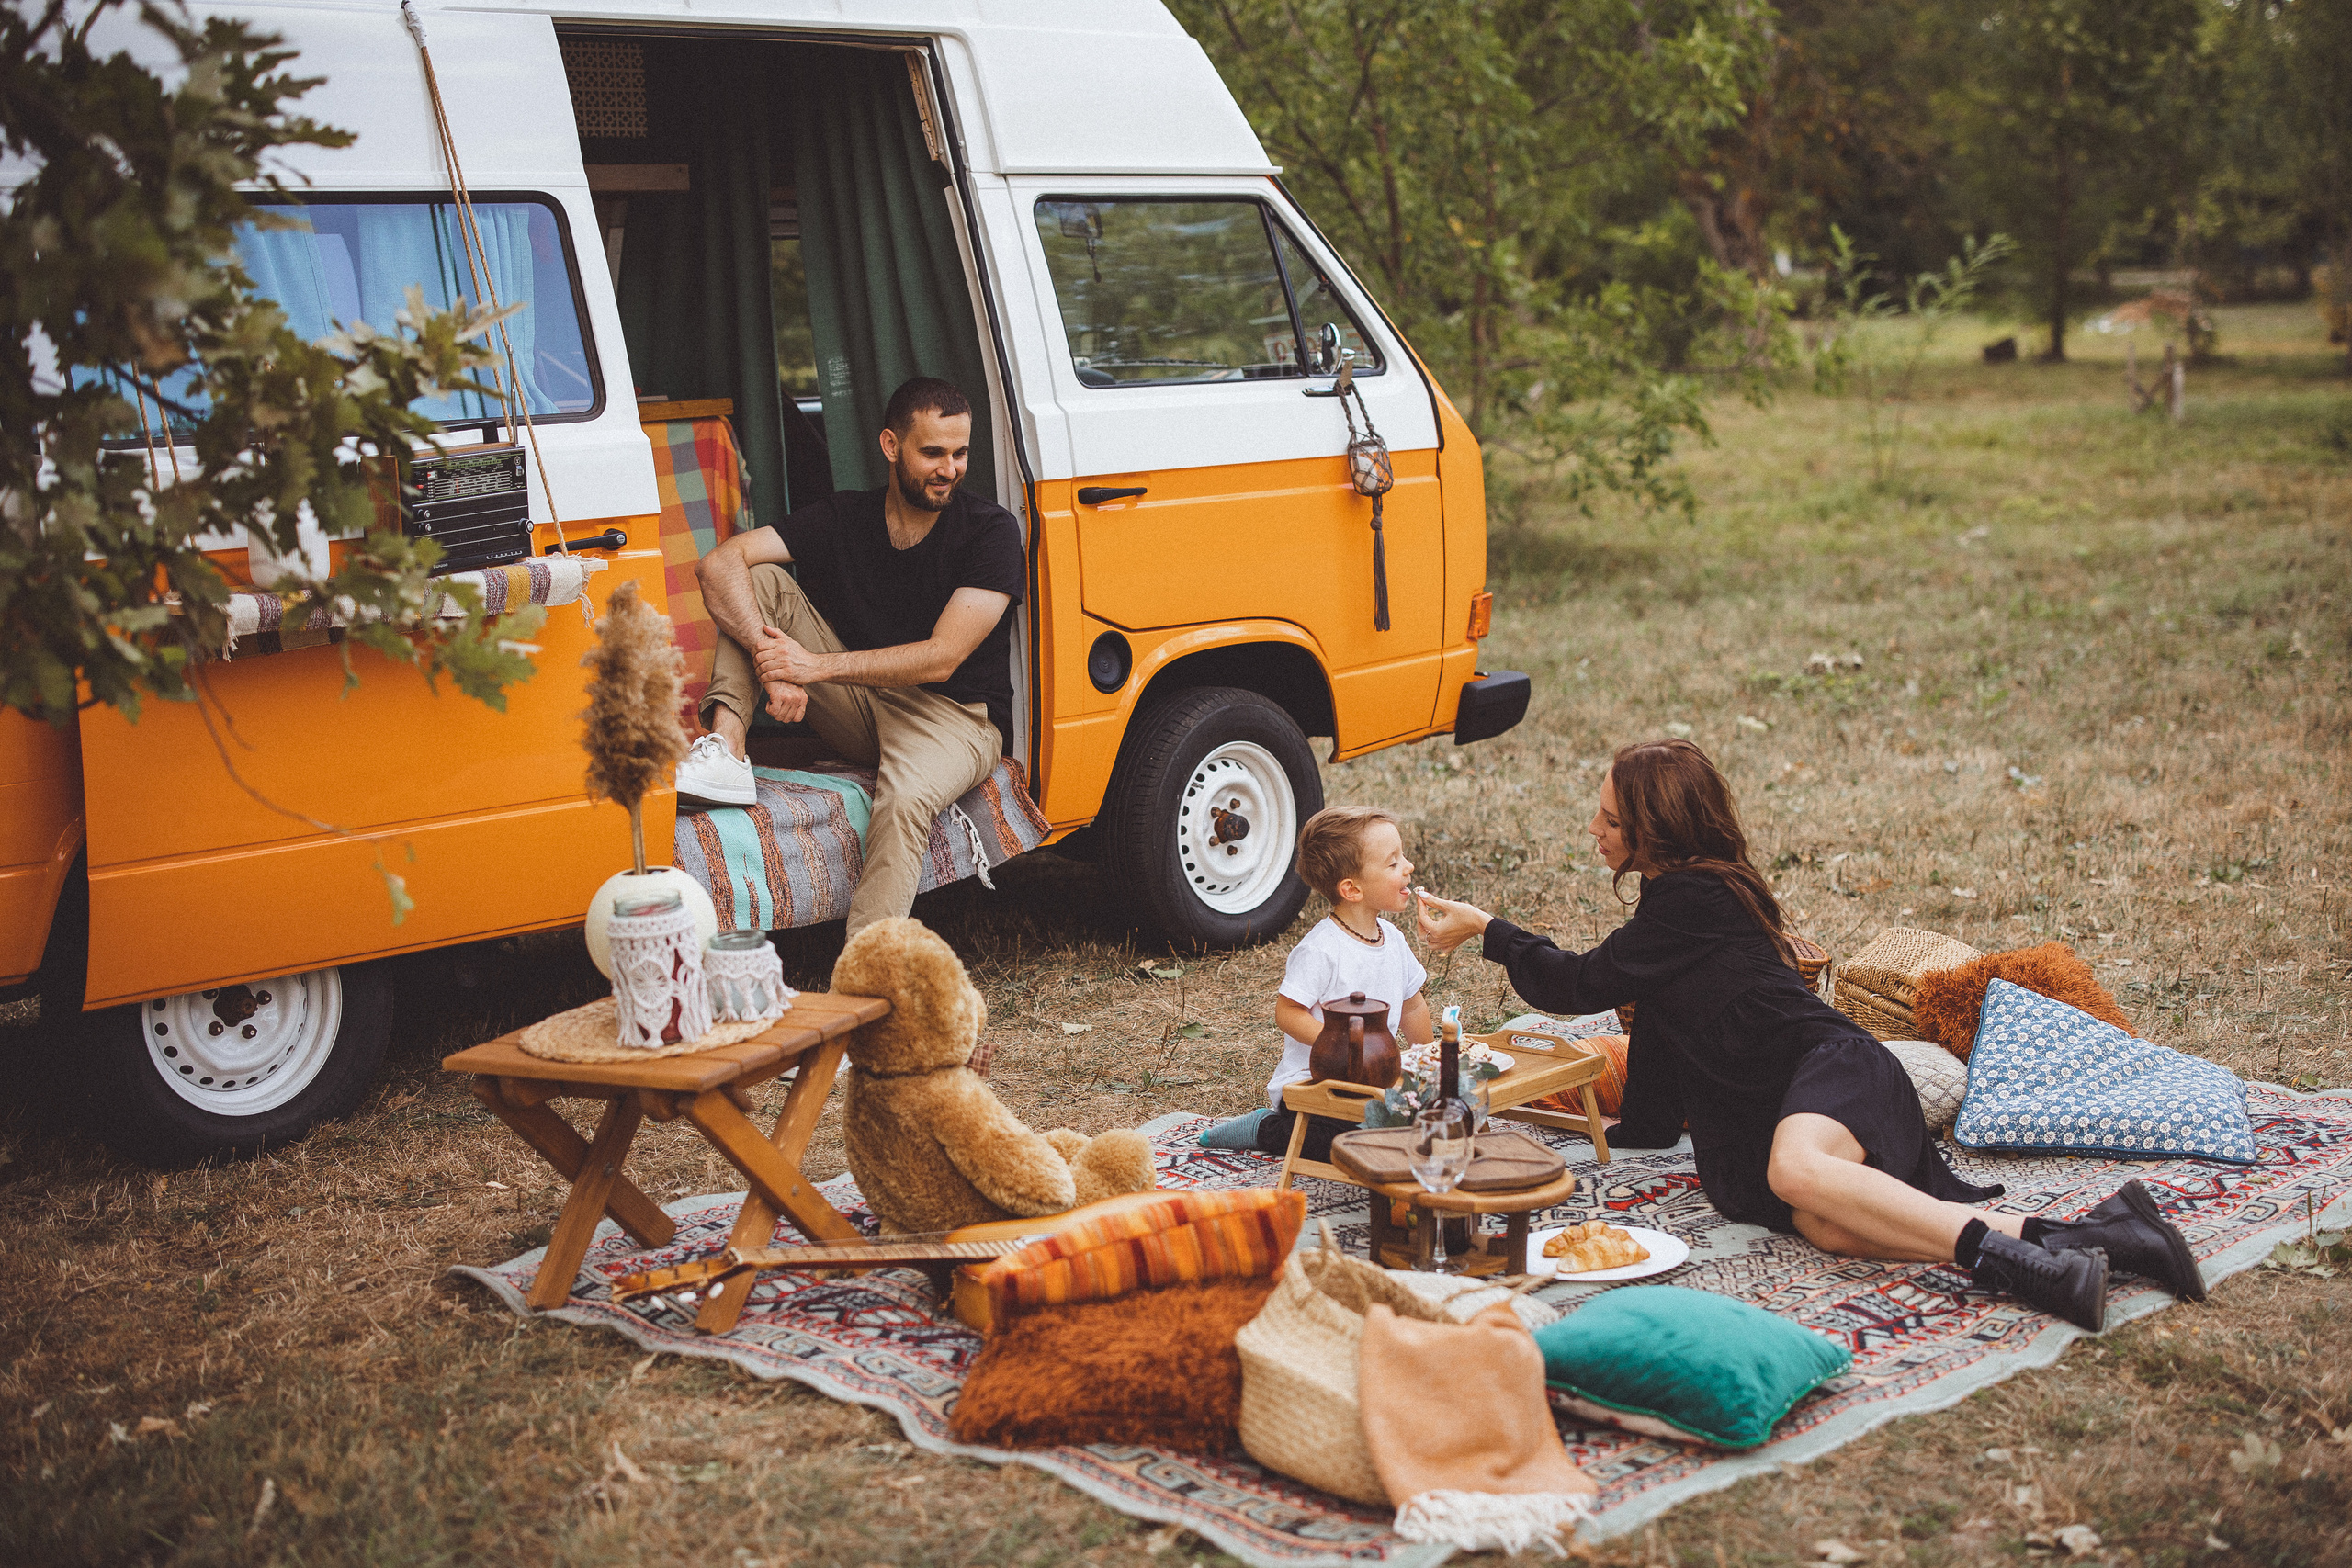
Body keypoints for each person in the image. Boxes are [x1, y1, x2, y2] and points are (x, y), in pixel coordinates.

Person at [1414, 738, 2205, 1332]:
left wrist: (1488, 928)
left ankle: (2030, 1271)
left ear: (1655, 832)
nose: (1594, 828)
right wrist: (1638, 1131)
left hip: (1836, 1069)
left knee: (1796, 1173)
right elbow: (1658, 1017)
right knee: (1831, 1224)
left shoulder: (1697, 896)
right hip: (1786, 1105)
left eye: (1611, 818)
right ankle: (2102, 1238)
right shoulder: (1675, 911)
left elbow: (1576, 984)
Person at [675, 377, 1023, 936]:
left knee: (904, 801)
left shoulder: (991, 531)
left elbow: (941, 658)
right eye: (932, 452)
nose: (950, 469)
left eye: (960, 454)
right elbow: (719, 564)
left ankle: (865, 964)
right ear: (891, 446)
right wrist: (775, 660)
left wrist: (811, 669)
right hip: (861, 706)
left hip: (954, 718)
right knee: (759, 578)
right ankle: (728, 754)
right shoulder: (844, 516)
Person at [1256, 806, 1435, 1159]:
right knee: (1351, 1142)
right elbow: (1287, 1012)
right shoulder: (1321, 950)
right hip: (1315, 1084)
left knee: (1427, 1119)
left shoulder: (1393, 940)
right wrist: (1340, 1048)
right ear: (1352, 889)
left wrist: (1428, 1059)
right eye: (1393, 862)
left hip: (1374, 1081)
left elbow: (1413, 1004)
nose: (1408, 866)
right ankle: (1265, 1129)